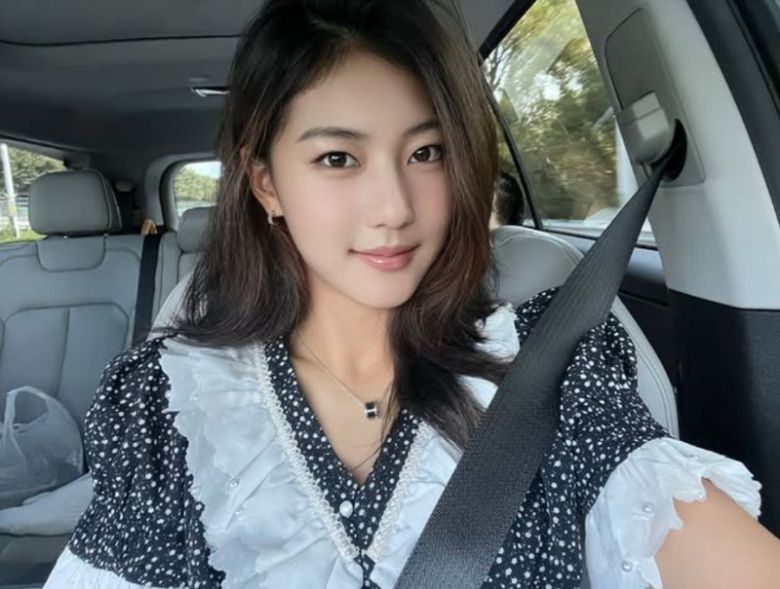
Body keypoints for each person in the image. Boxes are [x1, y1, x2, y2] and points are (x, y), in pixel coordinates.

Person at [43, 1, 780, 587]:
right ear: (266, 182)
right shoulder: (169, 405)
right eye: (338, 158)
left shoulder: (551, 364)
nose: (394, 207)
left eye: (426, 152)